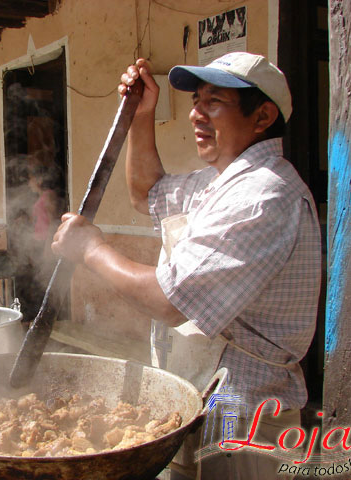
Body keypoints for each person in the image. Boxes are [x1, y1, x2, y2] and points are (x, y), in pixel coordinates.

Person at [50, 52, 321, 479]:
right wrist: (141, 116)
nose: (195, 113)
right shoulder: (219, 183)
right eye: (196, 100)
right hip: (197, 404)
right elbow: (147, 193)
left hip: (243, 421)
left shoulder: (264, 194)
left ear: (263, 116)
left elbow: (169, 300)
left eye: (214, 101)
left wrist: (90, 250)